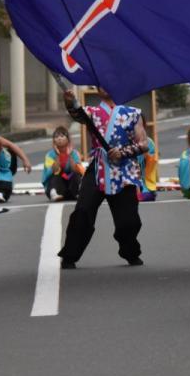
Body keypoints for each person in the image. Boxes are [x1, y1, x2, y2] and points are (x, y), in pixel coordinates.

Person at [58, 85, 150, 269]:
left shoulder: (133, 113)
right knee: (83, 211)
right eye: (100, 83)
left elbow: (144, 144)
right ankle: (70, 255)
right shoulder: (91, 112)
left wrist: (123, 152)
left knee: (128, 220)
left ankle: (130, 251)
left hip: (124, 170)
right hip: (98, 167)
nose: (104, 86)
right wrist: (69, 103)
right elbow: (76, 114)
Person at [44, 125, 86, 201]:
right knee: (56, 175)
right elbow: (54, 170)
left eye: (62, 136)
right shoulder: (50, 155)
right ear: (54, 140)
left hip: (71, 187)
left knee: (75, 175)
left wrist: (70, 156)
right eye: (56, 137)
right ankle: (54, 193)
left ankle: (77, 193)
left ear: (68, 139)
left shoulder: (74, 153)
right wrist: (57, 155)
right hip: (58, 187)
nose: (59, 138)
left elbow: (76, 170)